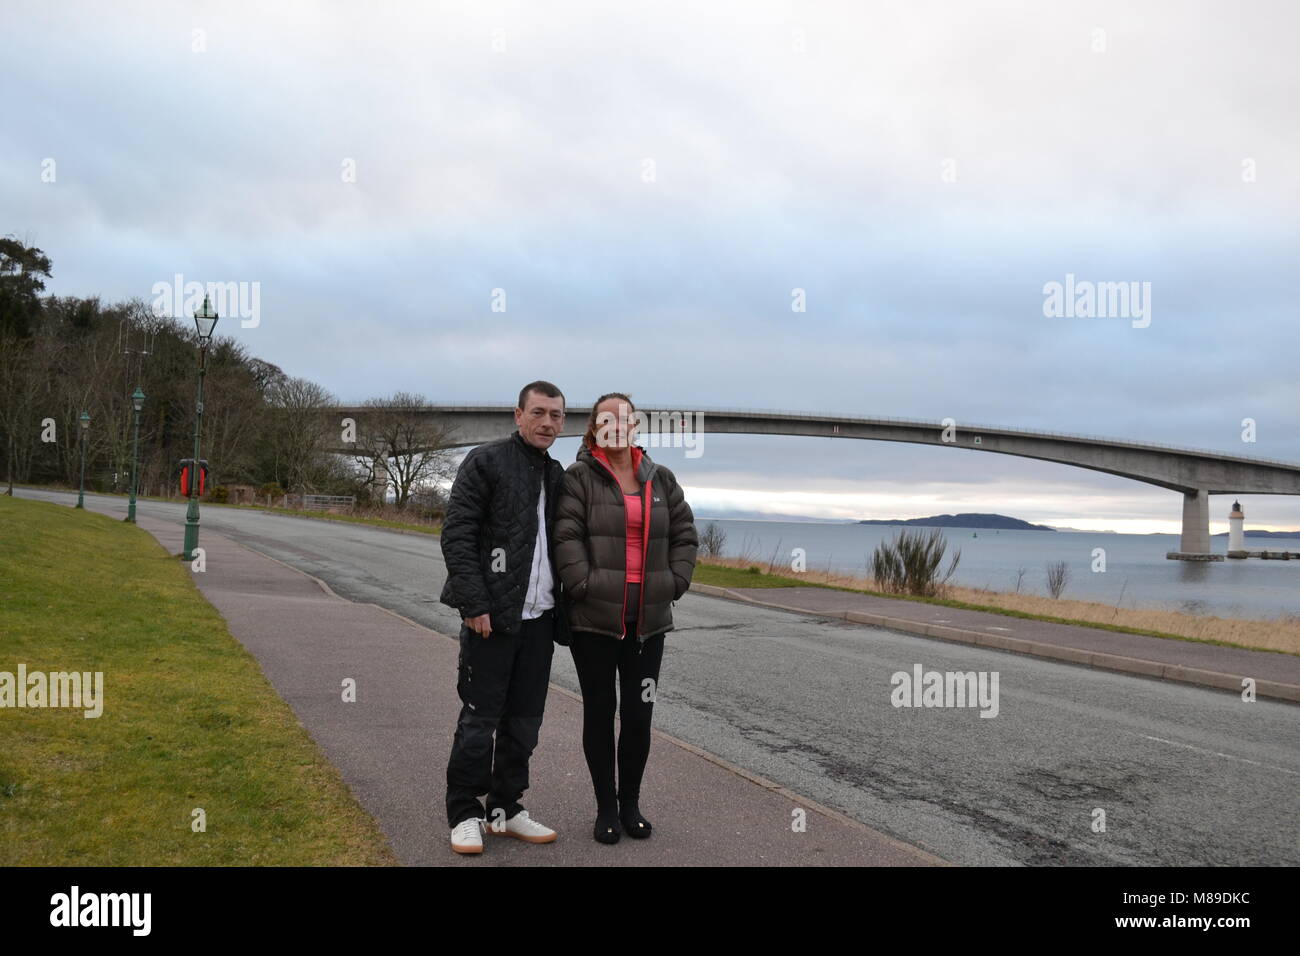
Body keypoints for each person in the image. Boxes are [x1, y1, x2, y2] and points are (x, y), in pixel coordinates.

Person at [554, 393, 699, 843]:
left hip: (648, 624)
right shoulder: (579, 478)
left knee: (639, 717)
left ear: (635, 425)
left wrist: (674, 583)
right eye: (606, 419)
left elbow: (685, 536)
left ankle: (631, 803)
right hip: (594, 623)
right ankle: (606, 809)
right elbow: (566, 538)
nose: (616, 425)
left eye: (624, 418)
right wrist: (585, 586)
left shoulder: (661, 479)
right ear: (595, 427)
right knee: (600, 713)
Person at [439, 380, 570, 855]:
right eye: (539, 412)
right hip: (490, 620)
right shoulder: (486, 461)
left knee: (525, 724)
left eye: (556, 415)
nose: (548, 422)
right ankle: (464, 813)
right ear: (518, 415)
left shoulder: (558, 476)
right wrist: (474, 604)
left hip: (539, 622)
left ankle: (506, 809)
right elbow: (457, 535)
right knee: (480, 720)